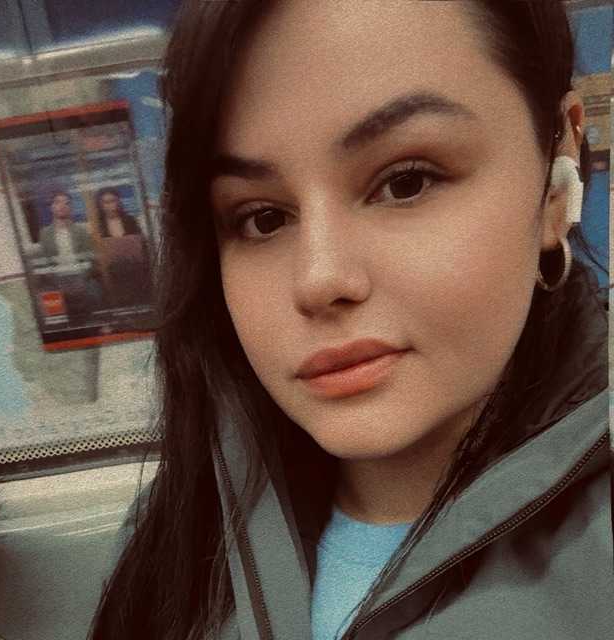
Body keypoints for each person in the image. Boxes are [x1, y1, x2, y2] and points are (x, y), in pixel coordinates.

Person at [90, 2, 611, 639]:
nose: (319, 280)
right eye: (262, 218)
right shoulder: (178, 531)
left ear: (555, 180)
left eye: (406, 182)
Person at [38, 191, 93, 264]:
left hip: (80, 269)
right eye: (57, 202)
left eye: (67, 203)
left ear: (71, 208)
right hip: (56, 270)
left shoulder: (81, 231)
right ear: (52, 207)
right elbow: (46, 260)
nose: (62, 206)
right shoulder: (45, 233)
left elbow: (88, 256)